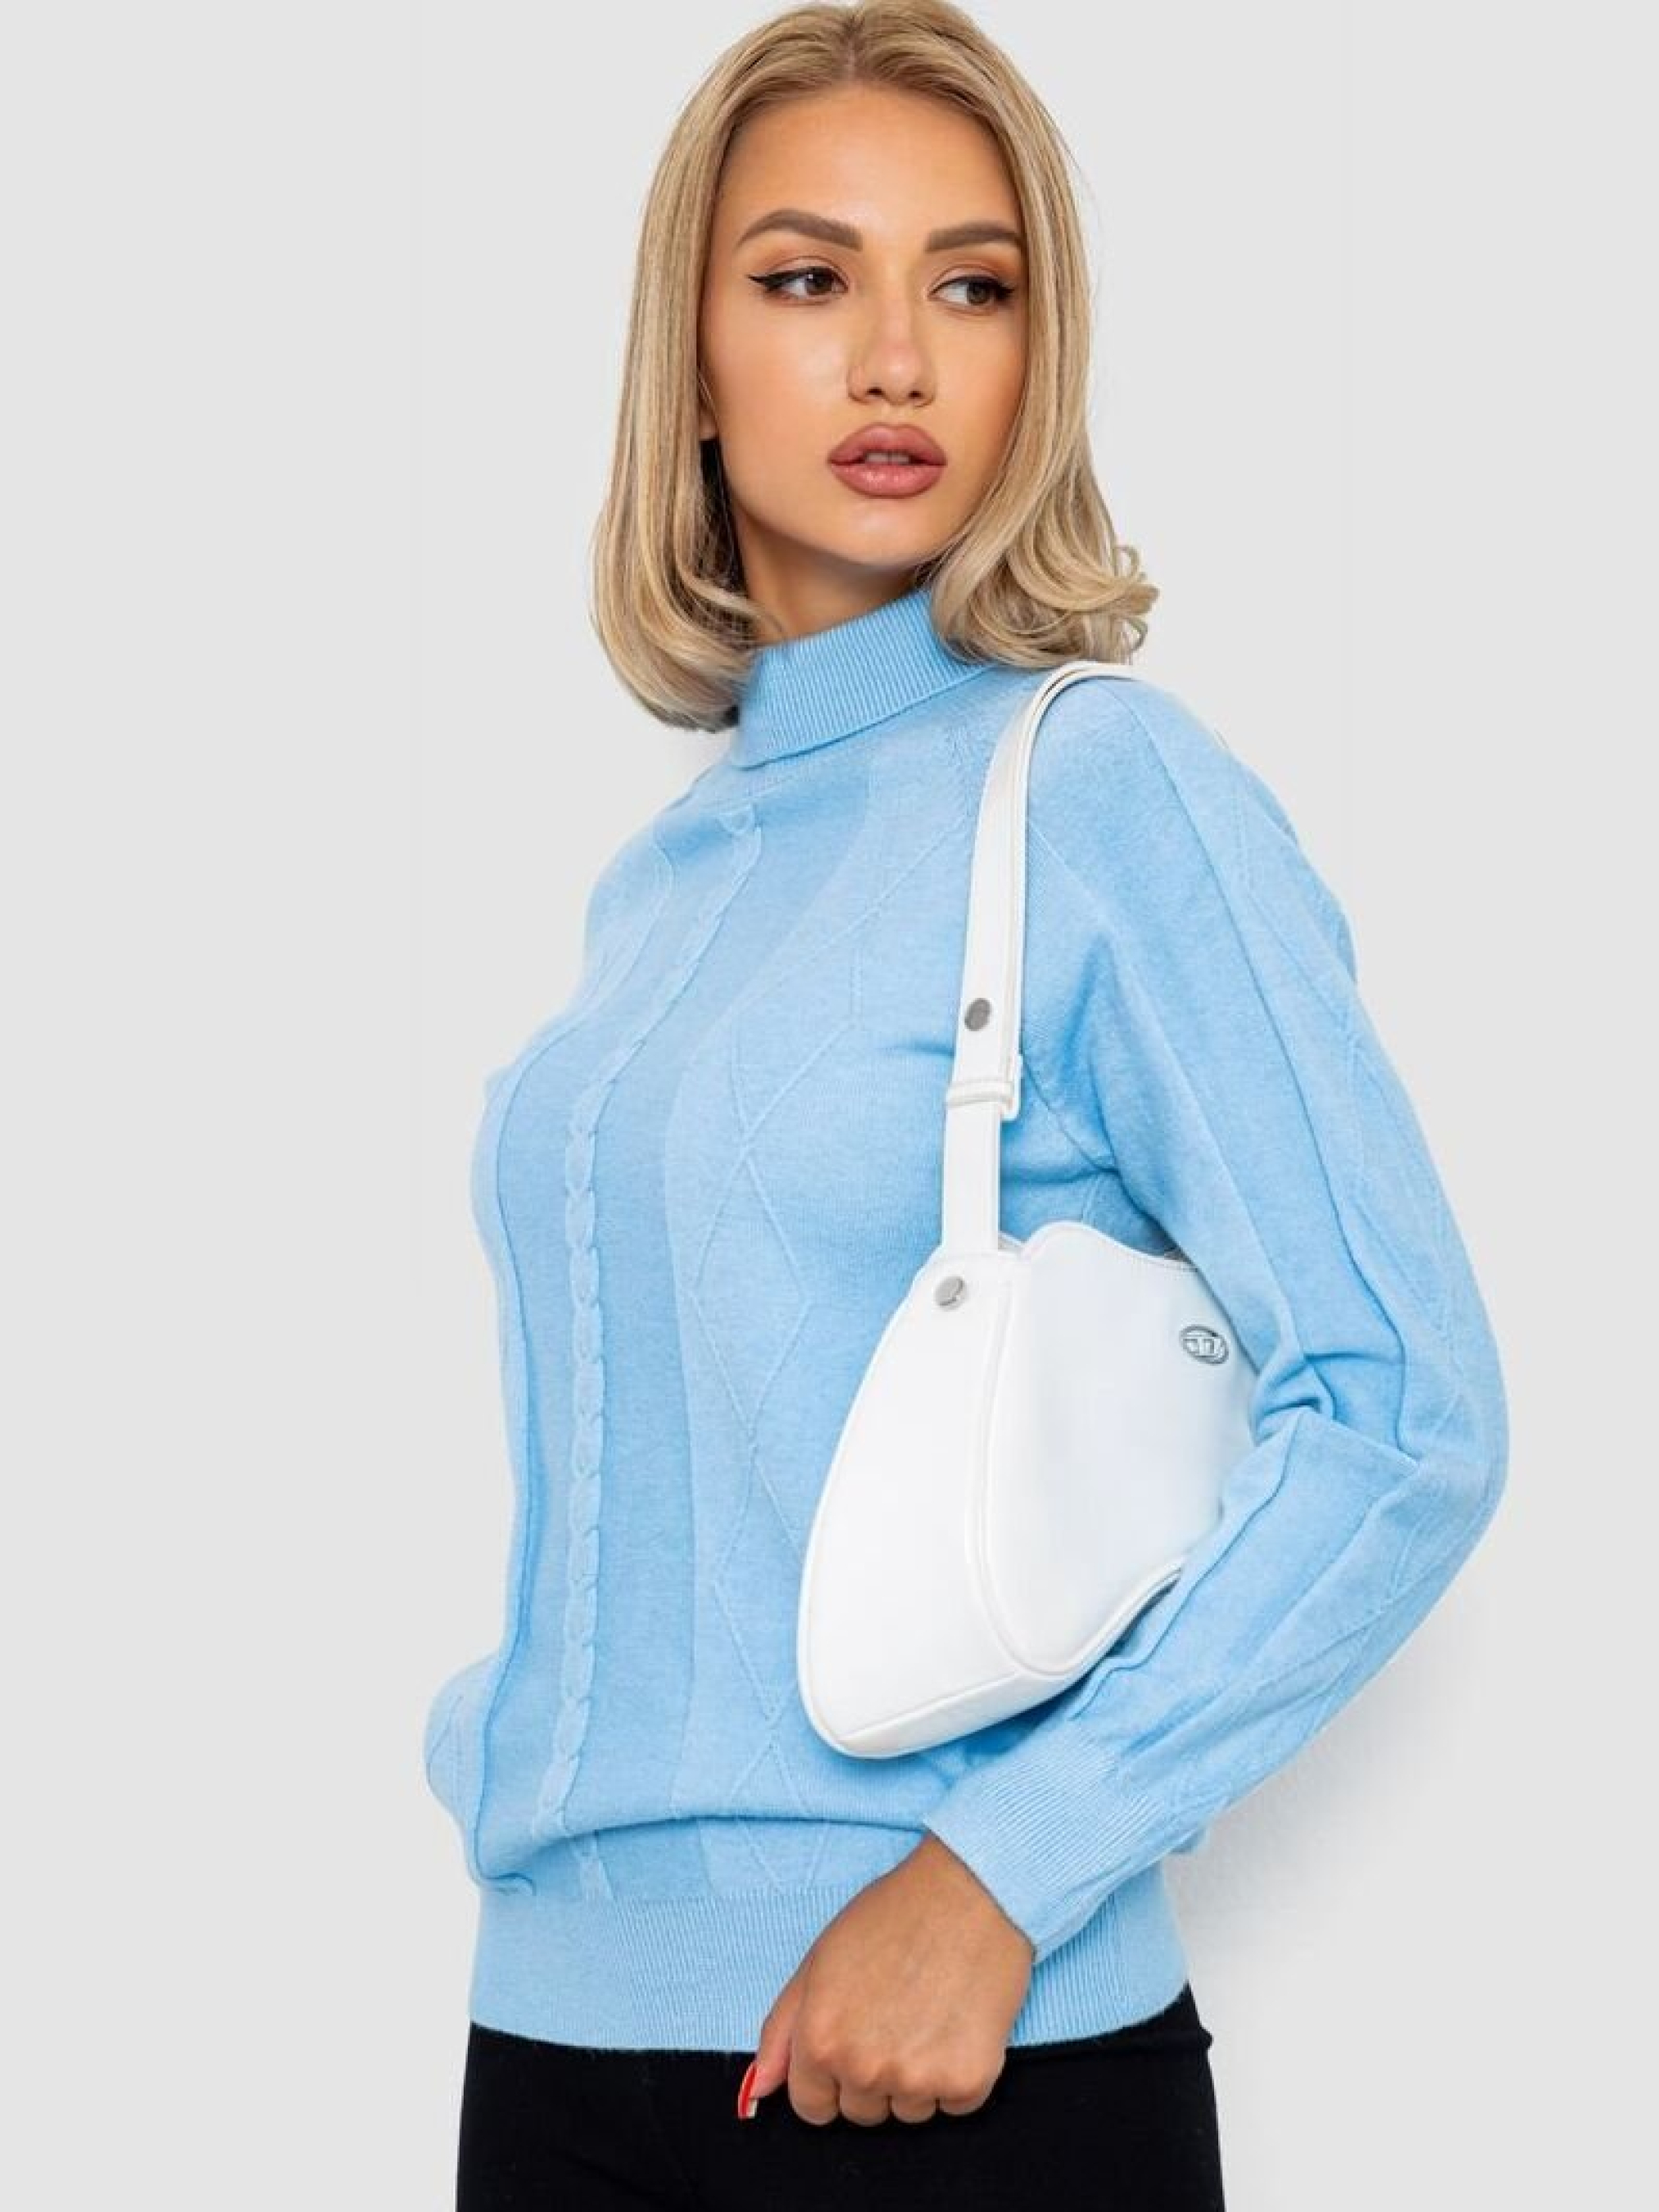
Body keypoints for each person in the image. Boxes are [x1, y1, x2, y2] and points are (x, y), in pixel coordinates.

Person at [421, 3, 1509, 2205]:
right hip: (552, 2043)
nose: (898, 359)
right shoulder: (667, 878)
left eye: (975, 285)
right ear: (690, 355)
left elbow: (1403, 1411)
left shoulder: (1102, 794)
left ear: (1039, 355)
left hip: (951, 2076)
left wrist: (1003, 1872)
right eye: (806, 277)